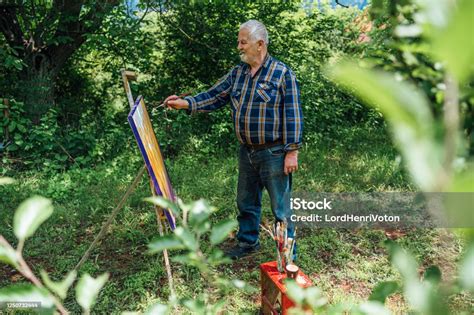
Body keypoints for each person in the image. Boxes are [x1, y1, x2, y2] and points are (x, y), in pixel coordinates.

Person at [164, 20, 303, 259]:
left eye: (243, 42)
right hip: (247, 151)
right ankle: (248, 243)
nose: (238, 47)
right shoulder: (237, 73)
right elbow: (215, 95)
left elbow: (293, 114)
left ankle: (288, 255)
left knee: (281, 207)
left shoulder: (282, 74)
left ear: (260, 44)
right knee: (246, 202)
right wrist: (186, 103)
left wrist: (292, 151)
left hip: (275, 153)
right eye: (238, 41)